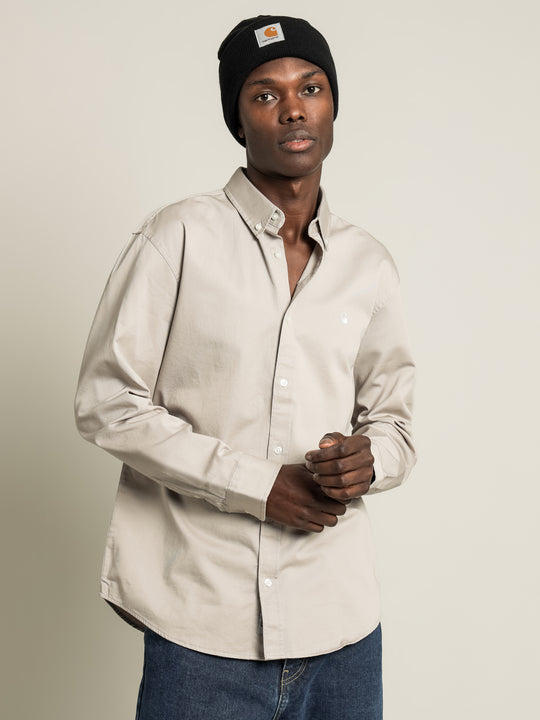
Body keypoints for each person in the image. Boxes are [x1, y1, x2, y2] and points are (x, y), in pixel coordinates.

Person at [75, 15, 416, 720]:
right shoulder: (176, 237)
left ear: (332, 106)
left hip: (342, 628)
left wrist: (369, 460)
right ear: (238, 120)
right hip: (201, 629)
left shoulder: (369, 265)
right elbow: (108, 402)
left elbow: (394, 422)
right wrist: (259, 487)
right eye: (265, 94)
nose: (293, 108)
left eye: (311, 88)